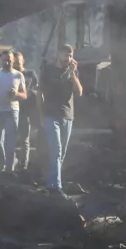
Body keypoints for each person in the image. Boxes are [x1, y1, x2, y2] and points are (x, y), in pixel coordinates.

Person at [40, 44, 84, 194]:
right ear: (58, 54)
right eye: (66, 55)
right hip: (50, 114)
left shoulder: (73, 71)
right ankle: (56, 186)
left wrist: (73, 75)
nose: (68, 58)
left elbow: (79, 92)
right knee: (56, 149)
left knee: (61, 153)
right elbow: (40, 93)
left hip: (67, 115)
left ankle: (52, 182)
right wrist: (40, 115)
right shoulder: (48, 70)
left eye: (71, 55)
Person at [0, 50, 27, 172]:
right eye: (4, 60)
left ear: (13, 60)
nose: (6, 62)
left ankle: (9, 168)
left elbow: (24, 95)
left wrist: (16, 94)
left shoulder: (18, 75)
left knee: (10, 141)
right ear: (1, 60)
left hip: (12, 111)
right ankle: (2, 164)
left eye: (9, 60)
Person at [12, 51, 38, 172]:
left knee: (24, 140)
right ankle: (11, 163)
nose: (17, 64)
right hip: (12, 110)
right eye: (15, 62)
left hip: (25, 111)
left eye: (18, 61)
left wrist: (30, 93)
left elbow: (37, 89)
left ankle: (23, 165)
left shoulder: (30, 75)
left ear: (23, 61)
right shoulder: (10, 74)